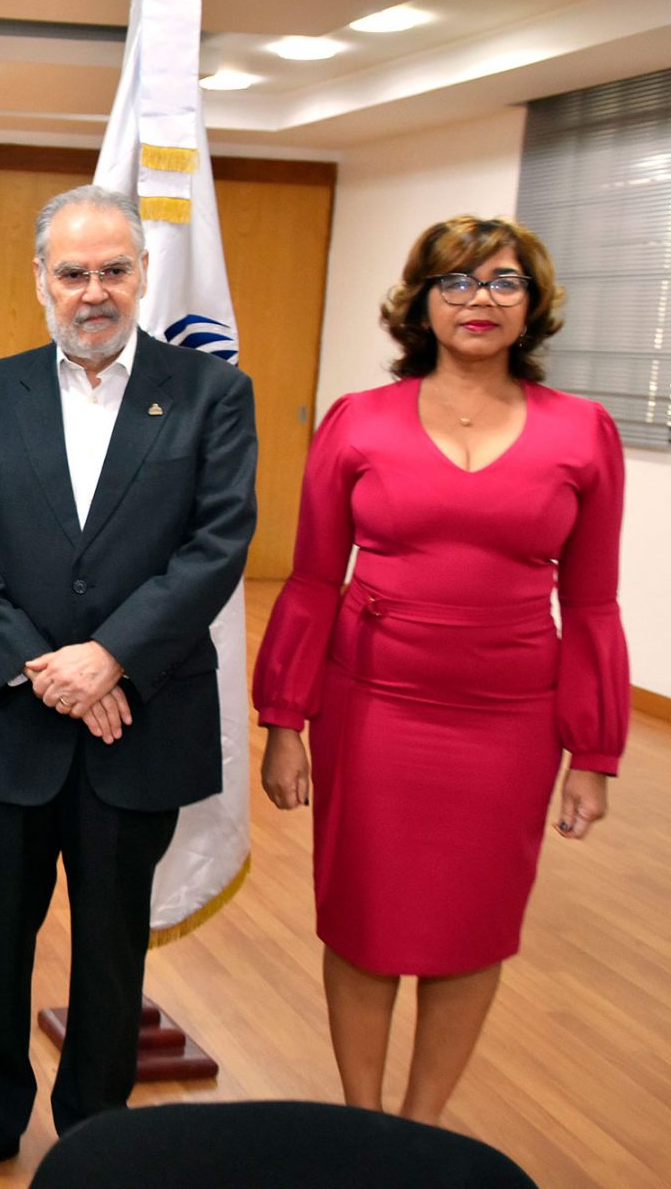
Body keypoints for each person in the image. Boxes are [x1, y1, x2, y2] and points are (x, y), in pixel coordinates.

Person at [0, 185, 257, 1189]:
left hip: (138, 716)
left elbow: (216, 544)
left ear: (142, 276)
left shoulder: (210, 394)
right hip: (19, 714)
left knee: (111, 944)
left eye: (113, 271)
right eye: (73, 272)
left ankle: (96, 1134)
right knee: (0, 934)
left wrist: (110, 659)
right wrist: (50, 671)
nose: (93, 291)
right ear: (40, 281)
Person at [253, 215, 627, 1124]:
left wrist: (595, 753)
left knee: (474, 928)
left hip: (509, 722)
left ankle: (421, 1134)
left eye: (503, 283)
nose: (479, 301)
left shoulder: (584, 432)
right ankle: (362, 1122)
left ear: (532, 306)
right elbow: (309, 582)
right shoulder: (358, 421)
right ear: (421, 301)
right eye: (456, 283)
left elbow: (591, 607)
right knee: (364, 920)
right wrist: (285, 723)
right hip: (373, 706)